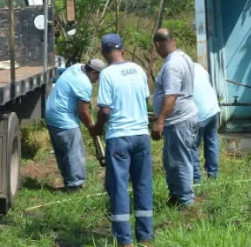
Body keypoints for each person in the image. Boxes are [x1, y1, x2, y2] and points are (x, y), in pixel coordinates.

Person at [91, 33, 152, 247]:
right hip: (141, 135)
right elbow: (145, 99)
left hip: (119, 137)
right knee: (143, 185)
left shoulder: (107, 74)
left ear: (104, 53)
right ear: (122, 49)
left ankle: (126, 241)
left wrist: (96, 128)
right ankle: (145, 238)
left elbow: (105, 110)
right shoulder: (138, 70)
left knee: (118, 187)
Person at [151, 28, 199, 207]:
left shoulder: (172, 65)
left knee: (179, 161)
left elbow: (171, 96)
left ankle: (186, 201)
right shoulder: (183, 57)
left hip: (179, 121)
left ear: (157, 45)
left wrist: (159, 121)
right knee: (172, 161)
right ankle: (175, 196)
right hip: (180, 119)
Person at [44, 58, 107, 191]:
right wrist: (92, 128)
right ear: (94, 72)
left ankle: (68, 182)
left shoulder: (77, 67)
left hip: (51, 115)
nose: (98, 80)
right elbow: (83, 112)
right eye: (99, 76)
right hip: (64, 119)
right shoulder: (84, 83)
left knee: (63, 152)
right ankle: (75, 186)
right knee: (74, 153)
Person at [191, 61, 221, 181]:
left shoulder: (180, 71)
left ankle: (196, 178)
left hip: (199, 114)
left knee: (193, 146)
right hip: (213, 109)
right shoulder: (198, 67)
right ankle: (213, 174)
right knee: (212, 141)